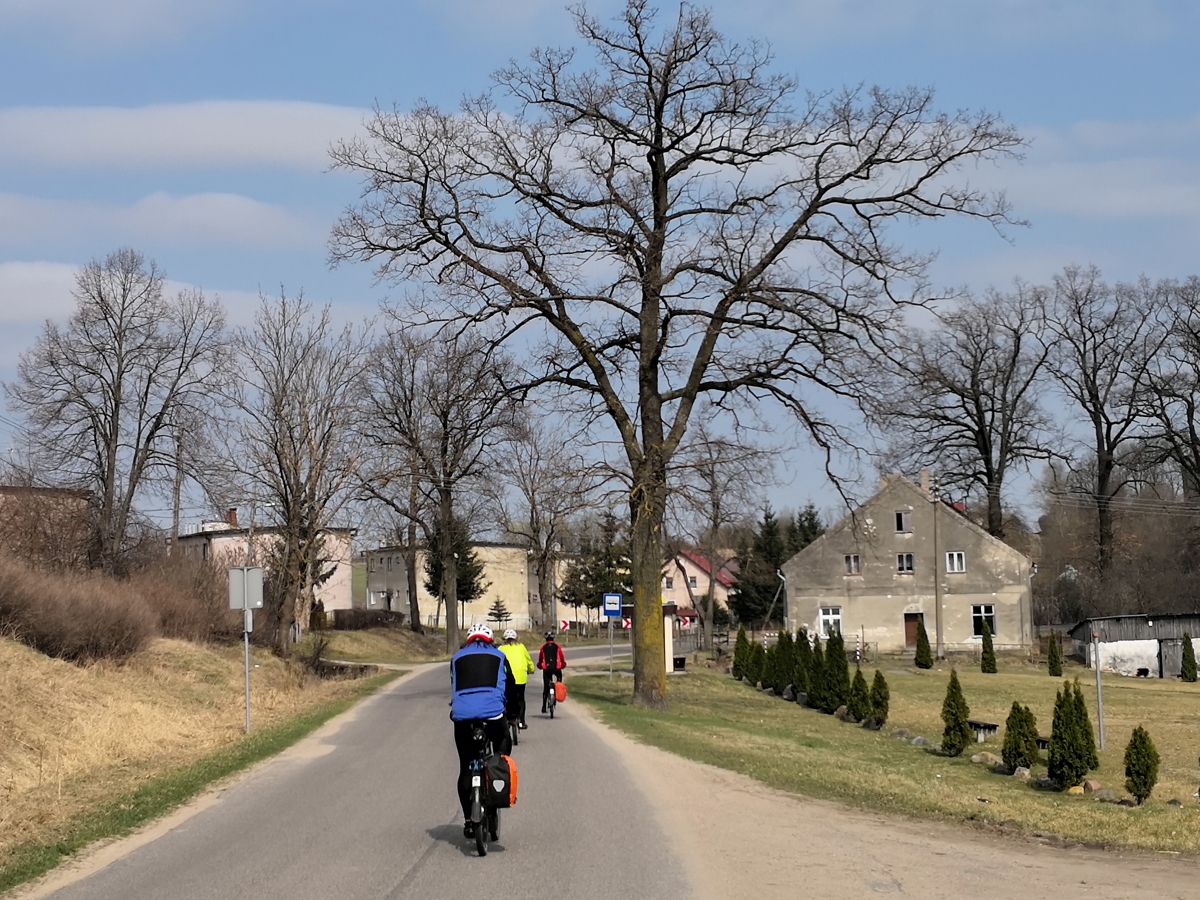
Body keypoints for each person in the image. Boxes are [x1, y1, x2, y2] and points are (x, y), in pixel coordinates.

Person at [450, 623, 517, 838]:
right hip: (493, 714)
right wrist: (513, 713)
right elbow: (511, 686)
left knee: (465, 767)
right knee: (503, 743)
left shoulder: (456, 658)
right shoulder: (499, 656)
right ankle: (497, 768)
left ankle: (469, 821)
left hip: (462, 716)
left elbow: (454, 684)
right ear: (490, 640)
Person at [498, 628, 535, 729]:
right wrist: (531, 669)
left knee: (505, 698)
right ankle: (521, 721)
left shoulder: (501, 649)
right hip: (520, 678)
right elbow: (528, 660)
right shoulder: (521, 647)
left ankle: (505, 718)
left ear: (504, 639)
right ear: (516, 639)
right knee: (521, 699)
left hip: (507, 678)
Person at [537, 630, 566, 713]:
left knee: (546, 687)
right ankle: (557, 693)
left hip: (546, 669)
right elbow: (561, 657)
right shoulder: (557, 646)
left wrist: (539, 665)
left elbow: (540, 659)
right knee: (559, 682)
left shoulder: (543, 647)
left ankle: (544, 706)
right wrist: (563, 664)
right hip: (557, 668)